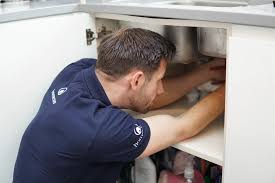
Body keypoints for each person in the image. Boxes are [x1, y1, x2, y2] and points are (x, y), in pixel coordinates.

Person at [13, 28, 225, 183]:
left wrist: (204, 73)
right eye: (159, 80)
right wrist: (232, 87)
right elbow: (182, 127)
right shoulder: (100, 130)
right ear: (136, 80)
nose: (161, 88)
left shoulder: (77, 71)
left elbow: (146, 98)